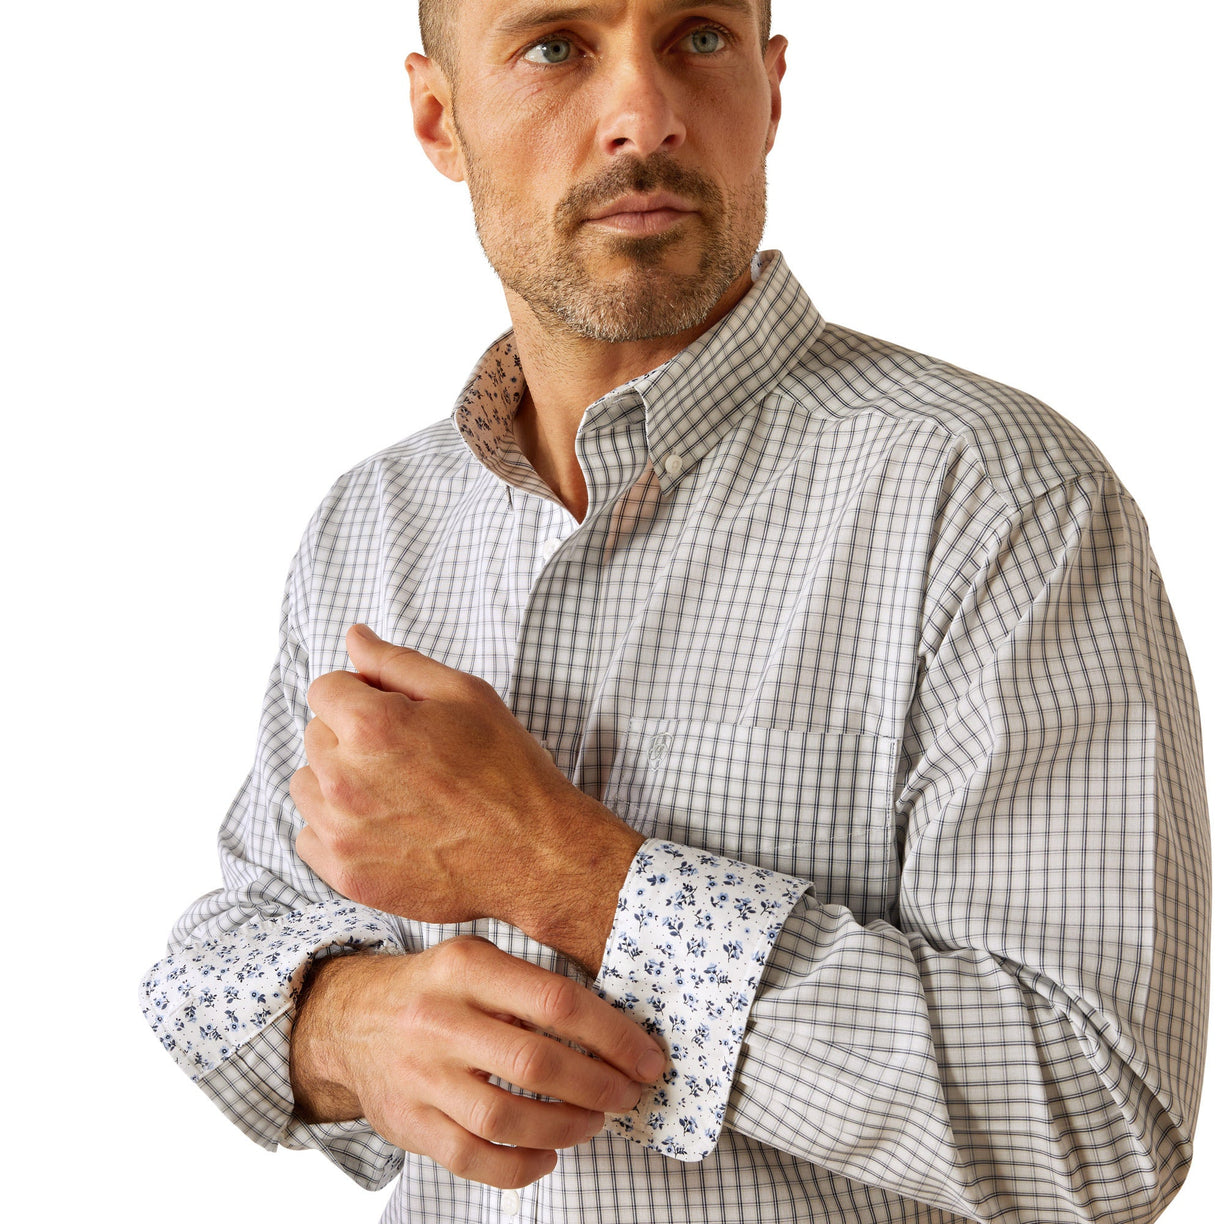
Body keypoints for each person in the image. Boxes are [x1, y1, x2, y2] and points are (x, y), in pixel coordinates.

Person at [140, 2, 1210, 1221]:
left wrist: (561, 870)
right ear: (439, 117)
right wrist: (344, 1025)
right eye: (555, 46)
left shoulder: (994, 497)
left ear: (772, 87)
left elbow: (1100, 1122)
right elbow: (218, 956)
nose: (643, 116)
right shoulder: (372, 523)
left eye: (698, 37)